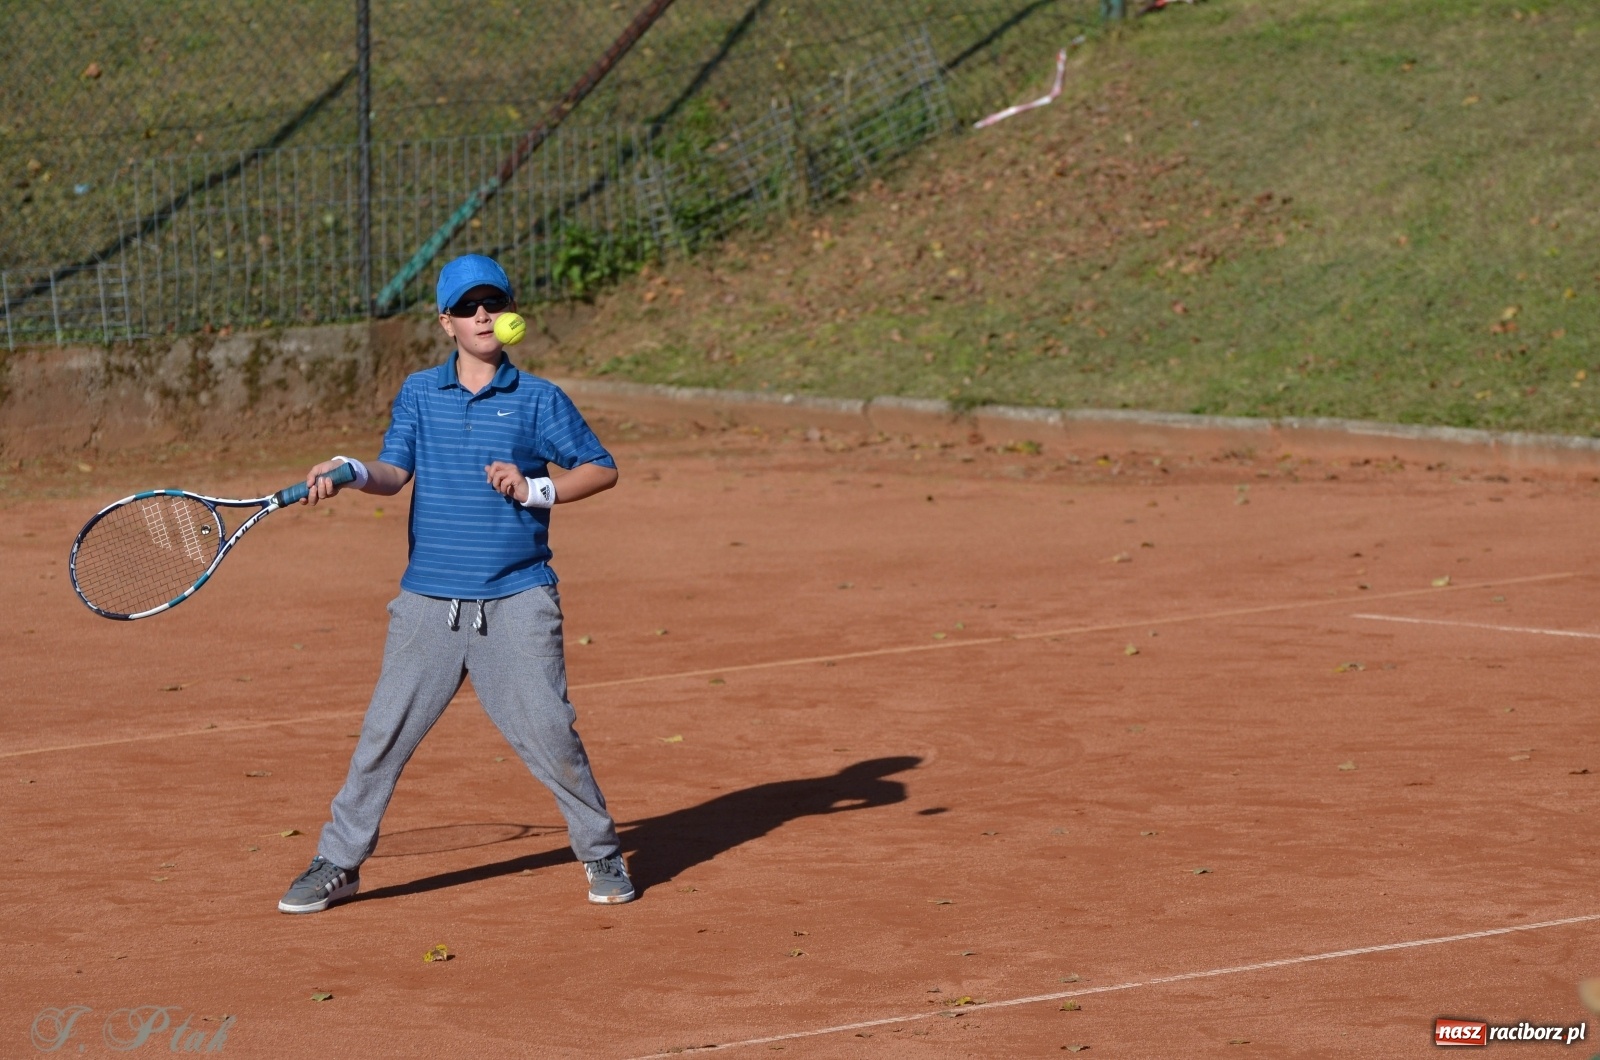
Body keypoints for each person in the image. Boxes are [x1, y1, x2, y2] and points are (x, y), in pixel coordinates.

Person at [277, 253, 632, 913]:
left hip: (518, 598)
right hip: (427, 603)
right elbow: (393, 471)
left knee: (550, 732)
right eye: (467, 308)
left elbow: (601, 467)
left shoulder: (537, 400)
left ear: (510, 313)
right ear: (446, 322)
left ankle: (600, 849)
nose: (482, 317)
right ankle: (339, 861)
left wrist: (535, 488)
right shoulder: (419, 392)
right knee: (383, 734)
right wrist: (349, 467)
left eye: (493, 304)